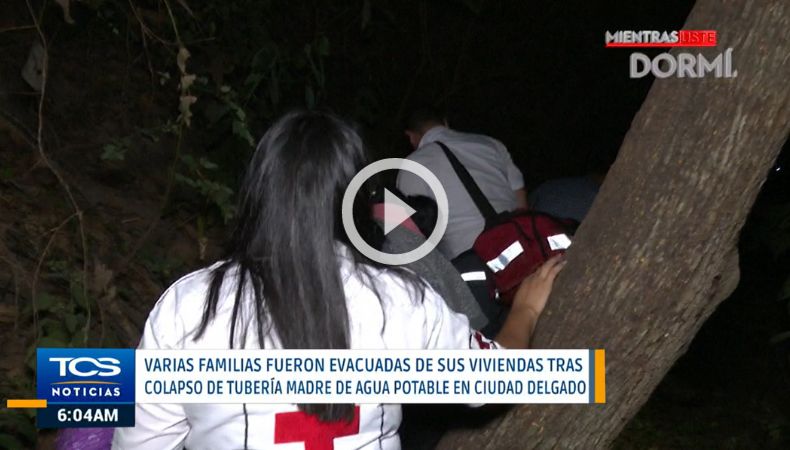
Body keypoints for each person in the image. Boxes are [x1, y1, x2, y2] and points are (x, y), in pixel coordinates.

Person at [112, 110, 564, 450]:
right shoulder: (399, 300)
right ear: (357, 200)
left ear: (257, 192)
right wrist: (525, 310)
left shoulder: (188, 306)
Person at [396, 106, 527, 260]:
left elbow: (410, 236)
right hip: (520, 244)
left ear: (410, 137)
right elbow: (521, 201)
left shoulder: (413, 166)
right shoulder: (490, 143)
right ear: (445, 122)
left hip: (469, 261)